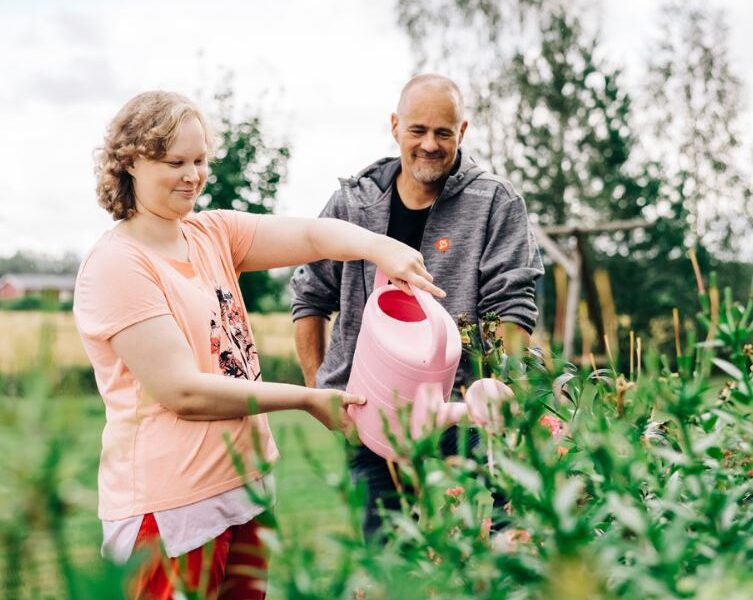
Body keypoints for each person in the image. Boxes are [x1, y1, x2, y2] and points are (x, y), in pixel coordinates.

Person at [73, 90, 444, 600]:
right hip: (170, 511)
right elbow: (184, 392)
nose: (192, 175)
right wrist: (306, 397)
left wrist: (382, 247)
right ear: (131, 161)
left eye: (200, 160)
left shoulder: (210, 233)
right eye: (174, 161)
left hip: (244, 489)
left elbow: (313, 238)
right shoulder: (118, 264)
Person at [290, 74, 544, 540]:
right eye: (418, 130)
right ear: (395, 127)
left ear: (462, 133)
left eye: (443, 132)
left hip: (466, 415)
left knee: (494, 550)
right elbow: (309, 295)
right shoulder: (354, 203)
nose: (430, 144)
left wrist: (498, 384)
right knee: (389, 561)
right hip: (371, 414)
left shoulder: (495, 202)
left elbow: (513, 302)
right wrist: (316, 388)